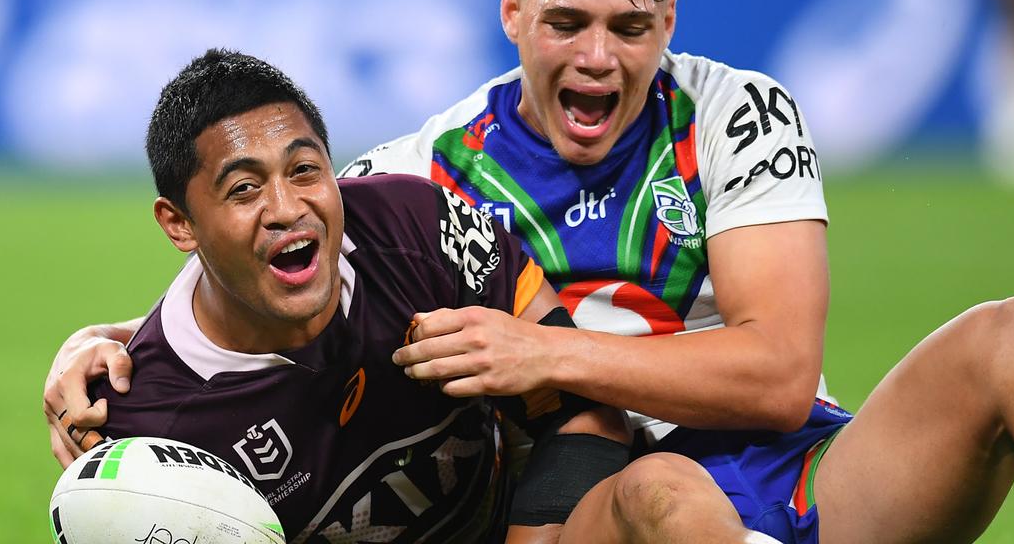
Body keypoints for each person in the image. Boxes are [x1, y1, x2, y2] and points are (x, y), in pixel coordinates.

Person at [47, 0, 1014, 544]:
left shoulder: (735, 111)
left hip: (803, 468)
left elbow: (774, 376)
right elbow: (269, 247)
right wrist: (103, 345)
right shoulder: (430, 168)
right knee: (666, 504)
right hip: (607, 510)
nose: (597, 60)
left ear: (666, 25)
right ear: (511, 15)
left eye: (630, 27)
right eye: (565, 22)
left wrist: (550, 352)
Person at [55, 48, 760, 544]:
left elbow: (581, 416)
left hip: (526, 527)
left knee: (665, 490)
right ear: (178, 223)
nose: (287, 208)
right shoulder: (142, 422)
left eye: (305, 170)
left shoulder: (420, 230)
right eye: (243, 189)